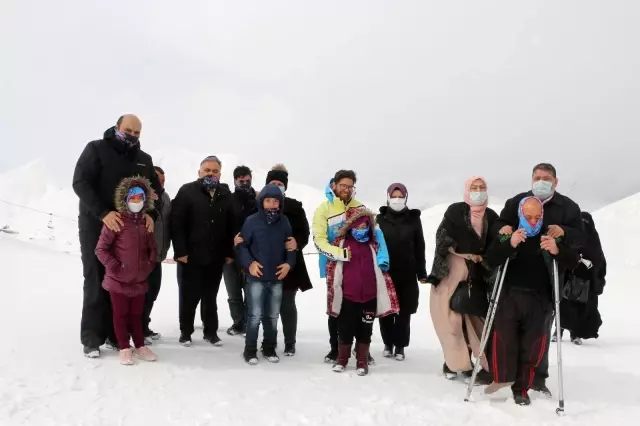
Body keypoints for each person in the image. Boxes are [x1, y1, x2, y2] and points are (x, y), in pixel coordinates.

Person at [72, 114, 161, 358]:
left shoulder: (144, 160)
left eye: (137, 132)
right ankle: (92, 337)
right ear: (117, 127)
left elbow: (155, 192)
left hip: (130, 231)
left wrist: (151, 213)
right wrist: (103, 213)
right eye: (128, 130)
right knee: (95, 276)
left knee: (121, 281)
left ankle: (115, 334)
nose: (132, 135)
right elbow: (80, 182)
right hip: (95, 224)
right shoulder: (96, 149)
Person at [496, 163, 585, 396]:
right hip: (515, 277)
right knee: (510, 331)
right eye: (537, 177)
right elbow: (499, 225)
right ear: (531, 179)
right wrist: (504, 227)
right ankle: (510, 376)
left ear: (556, 182)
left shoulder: (568, 207)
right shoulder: (517, 201)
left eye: (546, 178)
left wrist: (563, 231)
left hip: (547, 279)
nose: (541, 181)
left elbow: (580, 238)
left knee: (540, 333)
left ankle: (537, 379)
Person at [484, 196, 579, 405]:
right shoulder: (509, 232)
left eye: (537, 217)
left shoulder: (550, 234)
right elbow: (490, 259)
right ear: (520, 214)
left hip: (539, 300)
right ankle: (502, 378)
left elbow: (573, 261)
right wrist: (510, 243)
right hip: (509, 296)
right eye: (528, 217)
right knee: (504, 341)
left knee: (532, 346)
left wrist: (557, 250)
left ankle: (522, 389)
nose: (533, 222)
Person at [312, 170, 389, 365]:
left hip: (361, 267)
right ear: (334, 185)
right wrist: (339, 254)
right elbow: (318, 240)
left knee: (361, 307)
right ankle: (335, 348)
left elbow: (376, 233)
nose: (346, 189)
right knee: (337, 307)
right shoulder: (324, 209)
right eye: (343, 185)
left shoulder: (360, 207)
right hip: (334, 265)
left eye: (350, 186)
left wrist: (381, 258)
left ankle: (361, 348)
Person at [427, 176, 498, 385]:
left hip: (478, 275)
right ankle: (454, 362)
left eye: (482, 187)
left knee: (475, 320)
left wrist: (484, 257)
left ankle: (473, 363)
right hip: (453, 272)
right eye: (473, 188)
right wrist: (464, 252)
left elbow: (495, 245)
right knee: (452, 321)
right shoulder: (455, 211)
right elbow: (442, 237)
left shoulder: (492, 216)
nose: (478, 191)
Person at [170, 155, 236, 347]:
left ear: (220, 174)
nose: (211, 174)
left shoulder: (225, 194)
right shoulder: (187, 191)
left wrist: (229, 252)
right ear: (199, 172)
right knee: (189, 296)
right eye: (207, 170)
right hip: (190, 256)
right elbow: (177, 222)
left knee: (210, 296)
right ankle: (186, 332)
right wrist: (180, 251)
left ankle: (211, 332)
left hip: (215, 257)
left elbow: (232, 225)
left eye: (215, 171)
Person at [326, 208, 399, 376]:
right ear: (350, 227)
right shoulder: (342, 243)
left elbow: (382, 264)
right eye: (357, 227)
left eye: (364, 226)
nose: (361, 230)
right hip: (348, 296)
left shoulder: (373, 245)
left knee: (365, 329)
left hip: (370, 296)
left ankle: (362, 360)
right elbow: (333, 266)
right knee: (345, 329)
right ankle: (342, 359)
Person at [94, 177, 158, 365]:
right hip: (118, 280)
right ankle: (124, 347)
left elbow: (151, 247)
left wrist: (150, 264)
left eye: (140, 198)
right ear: (125, 199)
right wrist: (115, 266)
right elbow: (100, 249)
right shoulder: (116, 221)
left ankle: (139, 345)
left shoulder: (146, 223)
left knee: (137, 315)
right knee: (120, 315)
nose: (137, 202)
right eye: (133, 198)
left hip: (139, 280)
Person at [236, 184, 296, 365]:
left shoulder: (284, 222)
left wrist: (288, 264)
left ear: (280, 203)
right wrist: (250, 263)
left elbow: (290, 247)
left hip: (277, 279)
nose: (271, 204)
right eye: (267, 200)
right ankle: (250, 349)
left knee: (272, 316)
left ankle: (269, 347)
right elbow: (242, 246)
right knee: (254, 316)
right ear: (261, 202)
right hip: (256, 279)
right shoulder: (251, 221)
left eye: (275, 201)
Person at [265, 164, 313, 356]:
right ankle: (269, 342)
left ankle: (290, 342)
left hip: (290, 263)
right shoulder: (260, 203)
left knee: (286, 304)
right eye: (273, 183)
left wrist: (297, 242)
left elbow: (305, 232)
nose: (277, 186)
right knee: (267, 306)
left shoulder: (294, 206)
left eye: (280, 183)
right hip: (266, 263)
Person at [376, 183, 427, 361]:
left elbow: (420, 246)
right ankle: (388, 344)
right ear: (388, 197)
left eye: (400, 196)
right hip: (386, 272)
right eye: (394, 196)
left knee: (404, 311)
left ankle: (400, 346)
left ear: (405, 198)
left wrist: (421, 272)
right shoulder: (380, 219)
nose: (397, 199)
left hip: (407, 271)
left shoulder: (413, 219)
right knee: (386, 310)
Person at [555, 212, 607, 344]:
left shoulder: (593, 239)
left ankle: (575, 334)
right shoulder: (571, 236)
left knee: (580, 308)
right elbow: (563, 252)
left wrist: (596, 273)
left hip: (586, 280)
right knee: (564, 305)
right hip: (568, 277)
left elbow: (599, 259)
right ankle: (558, 331)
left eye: (586, 222)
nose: (584, 225)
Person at [223, 165, 258, 336]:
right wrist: (229, 247)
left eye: (247, 180)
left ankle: (250, 323)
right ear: (235, 180)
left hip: (252, 254)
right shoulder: (228, 199)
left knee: (250, 291)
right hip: (231, 254)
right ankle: (238, 323)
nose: (244, 183)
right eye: (240, 180)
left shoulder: (258, 199)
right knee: (233, 292)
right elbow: (222, 227)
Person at [142, 166, 171, 344]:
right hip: (141, 256)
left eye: (163, 178)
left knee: (152, 293)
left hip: (158, 256)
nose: (160, 181)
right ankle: (134, 329)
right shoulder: (140, 197)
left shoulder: (166, 198)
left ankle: (144, 326)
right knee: (139, 294)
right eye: (156, 178)